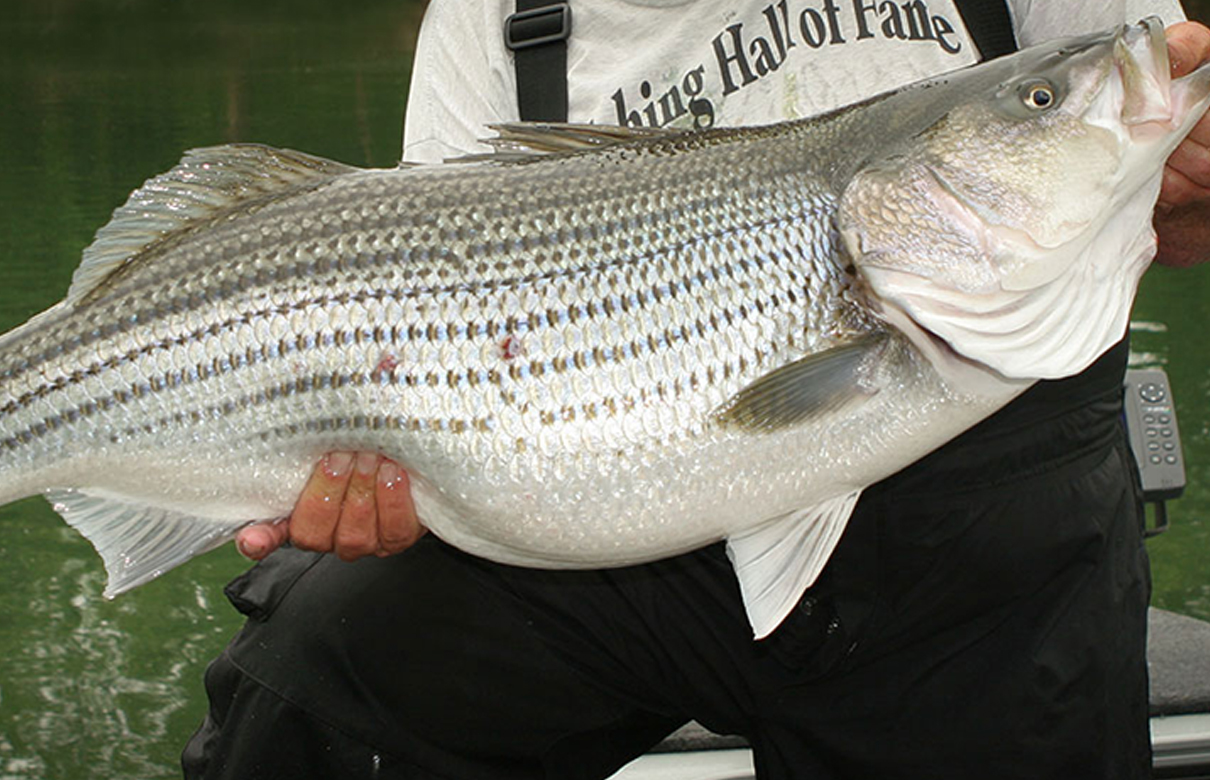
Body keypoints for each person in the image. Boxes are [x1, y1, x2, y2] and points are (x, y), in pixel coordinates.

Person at [184, 2, 1210, 778]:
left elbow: (1167, 215)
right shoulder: (490, 14)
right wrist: (392, 468)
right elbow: (428, 286)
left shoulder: (1094, 49)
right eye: (1041, 101)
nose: (1078, 95)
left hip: (985, 557)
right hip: (609, 522)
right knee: (313, 694)